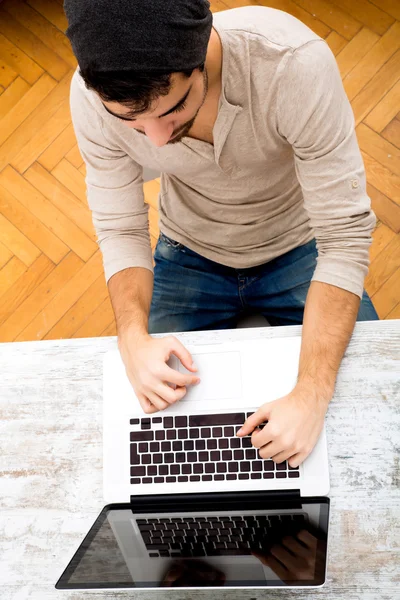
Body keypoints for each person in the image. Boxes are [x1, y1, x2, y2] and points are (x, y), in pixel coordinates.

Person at [64, 0, 378, 469]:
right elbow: (121, 226)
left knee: (376, 406)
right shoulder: (91, 97)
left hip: (297, 243)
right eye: (130, 122)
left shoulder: (292, 64)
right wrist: (131, 336)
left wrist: (312, 392)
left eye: (172, 110)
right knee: (146, 437)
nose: (154, 140)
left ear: (202, 51)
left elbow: (345, 235)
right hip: (188, 250)